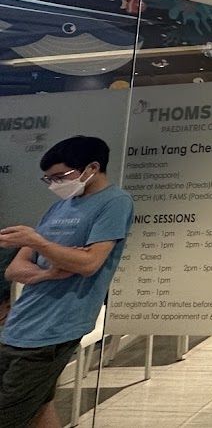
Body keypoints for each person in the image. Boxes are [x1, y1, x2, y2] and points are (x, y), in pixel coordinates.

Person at [0, 136, 134, 428]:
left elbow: (89, 264)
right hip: (22, 323)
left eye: (60, 177)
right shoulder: (59, 208)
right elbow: (15, 269)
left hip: (56, 329)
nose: (55, 185)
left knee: (10, 414)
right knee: (38, 409)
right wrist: (48, 272)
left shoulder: (115, 202)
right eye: (48, 179)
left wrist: (40, 243)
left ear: (92, 168)